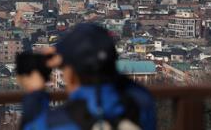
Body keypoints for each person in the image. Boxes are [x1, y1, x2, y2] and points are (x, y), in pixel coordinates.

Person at [18, 23, 156, 130]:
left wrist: (35, 94)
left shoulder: (60, 122)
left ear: (72, 74)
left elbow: (31, 125)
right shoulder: (141, 103)